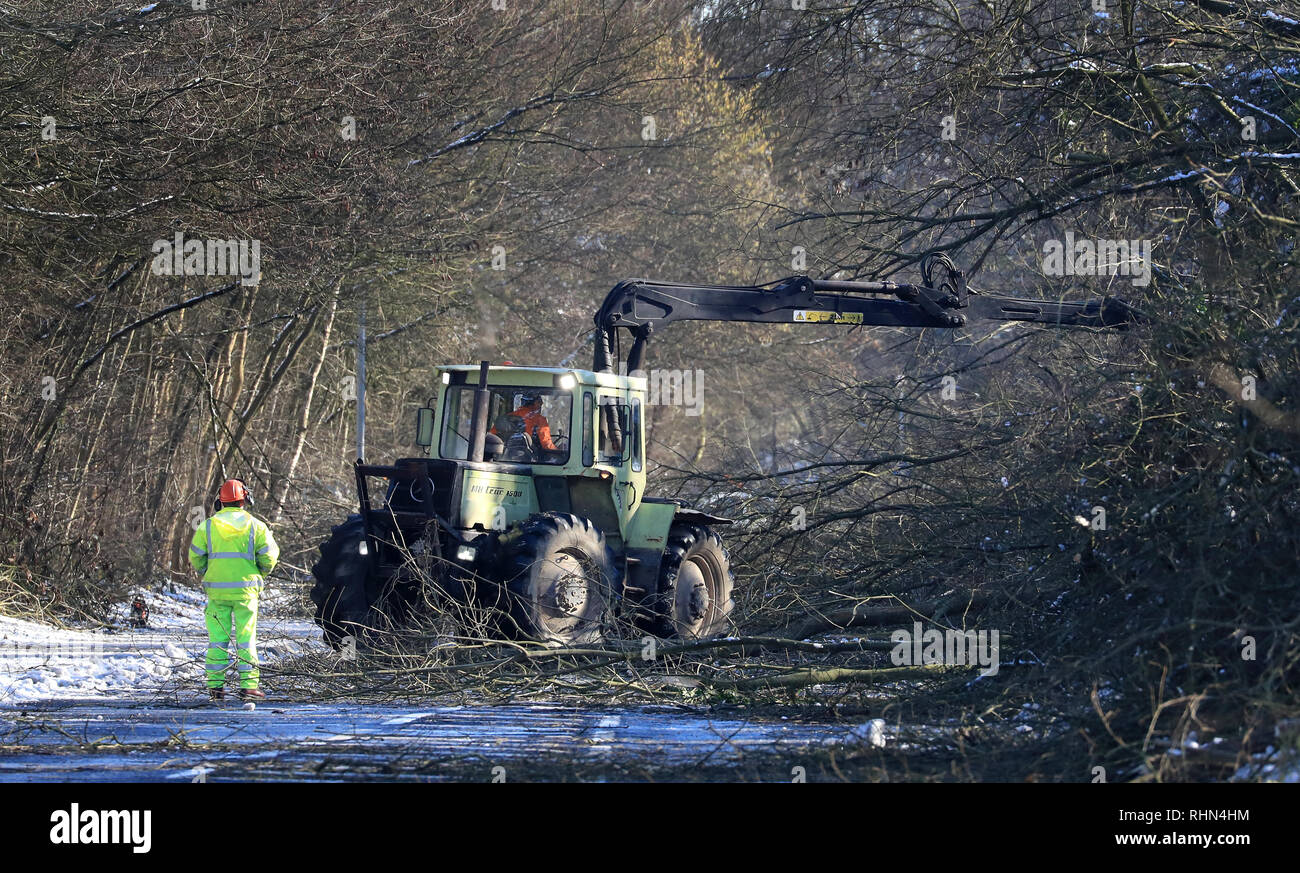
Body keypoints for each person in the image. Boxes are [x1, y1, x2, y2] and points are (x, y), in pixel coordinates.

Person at [188, 478, 279, 702]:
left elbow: (195, 557)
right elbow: (270, 556)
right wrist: (259, 572)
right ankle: (248, 687)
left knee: (218, 639)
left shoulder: (207, 526)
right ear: (244, 499)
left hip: (217, 592)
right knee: (246, 638)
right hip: (246, 592)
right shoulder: (256, 526)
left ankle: (216, 687)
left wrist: (208, 571)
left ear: (220, 501)